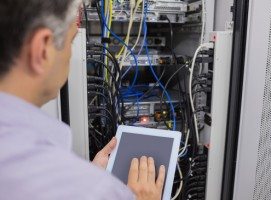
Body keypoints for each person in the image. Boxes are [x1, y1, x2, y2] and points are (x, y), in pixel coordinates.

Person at [0, 0, 166, 199]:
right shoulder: (97, 190)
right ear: (42, 49)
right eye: (71, 41)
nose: (71, 53)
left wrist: (87, 175)